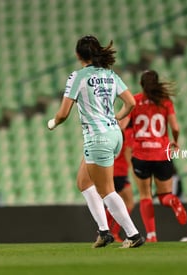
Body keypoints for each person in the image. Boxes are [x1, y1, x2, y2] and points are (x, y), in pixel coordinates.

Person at [47, 35, 145, 248]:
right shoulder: (111, 75)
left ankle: (133, 235)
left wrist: (53, 122)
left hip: (97, 138)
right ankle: (104, 232)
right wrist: (116, 118)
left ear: (78, 54)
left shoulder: (78, 77)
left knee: (107, 190)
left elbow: (63, 114)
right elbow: (130, 102)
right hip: (115, 135)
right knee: (83, 183)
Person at [121, 70, 187, 243]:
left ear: (141, 84)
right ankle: (172, 200)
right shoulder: (165, 102)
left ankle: (151, 235)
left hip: (141, 154)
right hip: (161, 153)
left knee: (145, 195)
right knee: (164, 194)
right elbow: (176, 127)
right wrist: (175, 140)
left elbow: (122, 125)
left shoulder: (134, 100)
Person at [105, 124, 135, 242]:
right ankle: (114, 233)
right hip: (120, 173)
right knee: (128, 203)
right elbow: (128, 152)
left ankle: (105, 231)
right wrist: (133, 169)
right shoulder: (127, 134)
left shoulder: (111, 135)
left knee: (113, 204)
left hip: (110, 172)